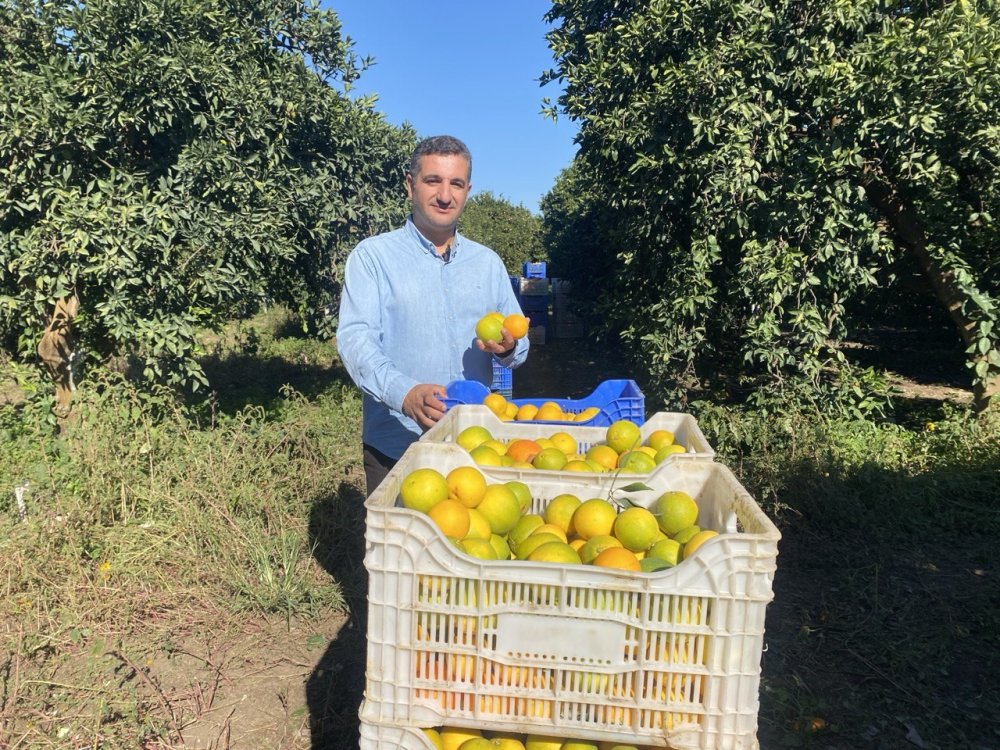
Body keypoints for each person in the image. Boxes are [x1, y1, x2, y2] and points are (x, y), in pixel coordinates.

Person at [336, 135, 530, 495]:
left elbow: (520, 347)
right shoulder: (373, 258)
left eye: (456, 183)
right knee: (398, 550)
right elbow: (355, 340)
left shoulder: (487, 263)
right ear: (410, 186)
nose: (445, 195)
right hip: (399, 446)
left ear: (467, 190)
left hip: (474, 447)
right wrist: (404, 393)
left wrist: (507, 347)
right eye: (433, 181)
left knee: (470, 548)